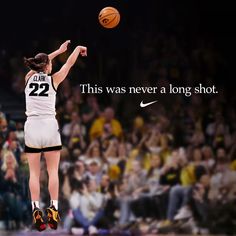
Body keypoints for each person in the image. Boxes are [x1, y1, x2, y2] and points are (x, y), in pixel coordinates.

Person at [24, 40, 87, 231]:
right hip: (49, 126)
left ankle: (36, 210)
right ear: (48, 66)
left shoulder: (28, 78)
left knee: (34, 173)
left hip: (32, 126)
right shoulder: (54, 79)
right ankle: (54, 208)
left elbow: (39, 65)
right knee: (53, 172)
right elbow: (69, 64)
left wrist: (55, 52)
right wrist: (74, 49)